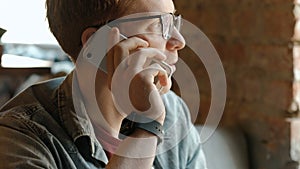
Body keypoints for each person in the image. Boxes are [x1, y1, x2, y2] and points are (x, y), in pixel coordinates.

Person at [0, 0, 207, 168]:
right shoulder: (19, 138)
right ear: (97, 43)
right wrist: (148, 127)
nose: (179, 40)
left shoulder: (173, 112)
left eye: (173, 21)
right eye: (159, 25)